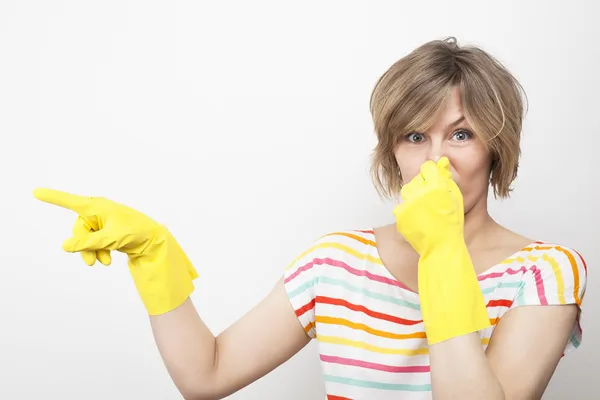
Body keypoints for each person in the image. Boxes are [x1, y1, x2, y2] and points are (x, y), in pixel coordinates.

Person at [34, 37, 588, 400]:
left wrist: (442, 253)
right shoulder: (335, 262)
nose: (436, 159)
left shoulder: (545, 272)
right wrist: (154, 253)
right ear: (392, 150)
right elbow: (206, 375)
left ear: (497, 145)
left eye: (461, 134)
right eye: (415, 135)